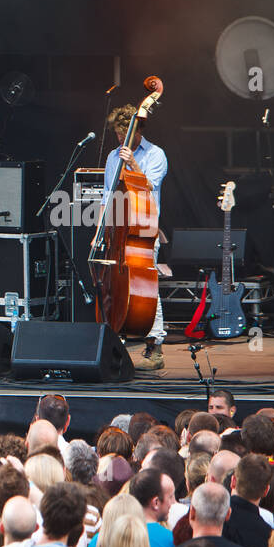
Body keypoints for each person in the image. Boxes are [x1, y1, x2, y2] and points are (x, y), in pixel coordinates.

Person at [99, 104, 169, 370]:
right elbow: (108, 195)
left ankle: (155, 347)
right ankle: (116, 342)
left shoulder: (155, 154)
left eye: (124, 134)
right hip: (117, 230)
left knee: (146, 286)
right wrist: (100, 229)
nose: (120, 140)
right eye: (117, 135)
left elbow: (149, 185)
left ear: (138, 130)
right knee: (114, 286)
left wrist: (132, 162)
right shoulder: (112, 156)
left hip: (142, 230)